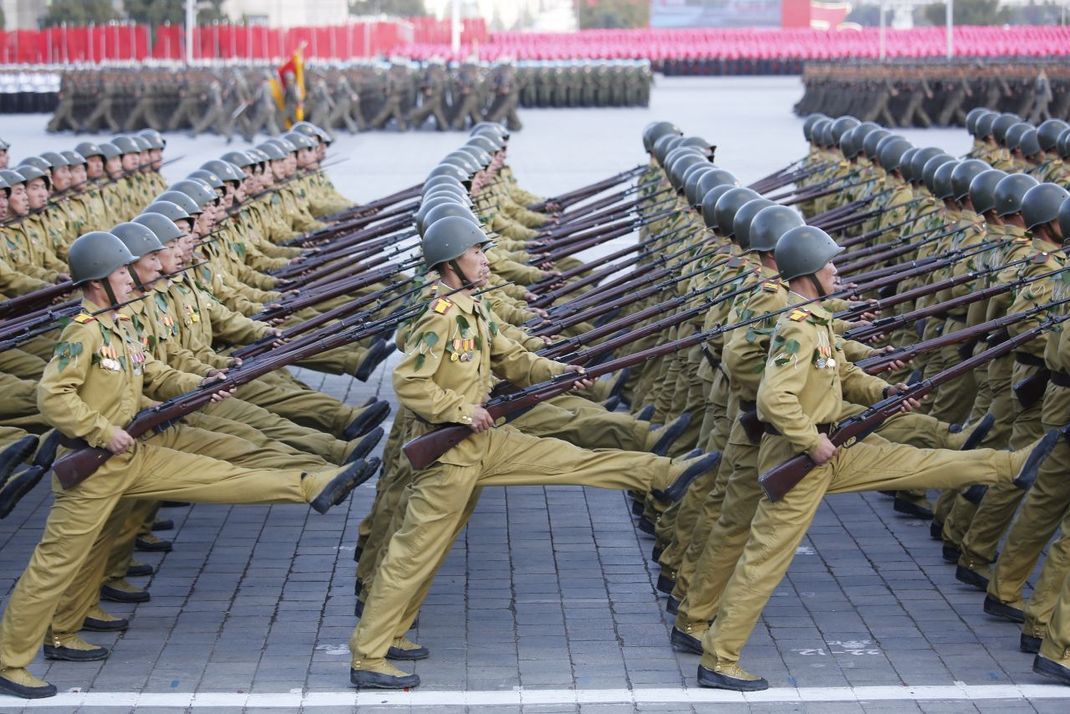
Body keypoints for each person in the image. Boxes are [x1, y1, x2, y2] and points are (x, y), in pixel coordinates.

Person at [348, 216, 720, 689]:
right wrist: (460, 409)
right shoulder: (441, 317)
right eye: (476, 253)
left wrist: (562, 373)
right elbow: (410, 382)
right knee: (414, 553)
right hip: (451, 454)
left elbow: (516, 360)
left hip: (483, 444)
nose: (484, 259)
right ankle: (368, 654)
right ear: (450, 263)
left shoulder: (472, 308)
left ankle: (664, 471)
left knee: (568, 457)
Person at [0, 231, 377, 699]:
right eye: (120, 271)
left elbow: (151, 372)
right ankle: (10, 660)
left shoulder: (118, 324)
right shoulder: (84, 332)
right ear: (97, 283)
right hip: (95, 465)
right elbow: (52, 395)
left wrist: (197, 383)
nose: (131, 276)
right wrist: (101, 430)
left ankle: (313, 482)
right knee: (54, 566)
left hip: (134, 454)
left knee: (218, 476)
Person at [694, 225, 1060, 692]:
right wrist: (810, 441)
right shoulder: (797, 327)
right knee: (765, 559)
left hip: (832, 447)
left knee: (915, 462)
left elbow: (842, 372)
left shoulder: (814, 318)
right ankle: (720, 658)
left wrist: (885, 391)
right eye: (829, 263)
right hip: (803, 458)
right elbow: (774, 398)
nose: (835, 269)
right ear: (808, 272)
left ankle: (1010, 466)